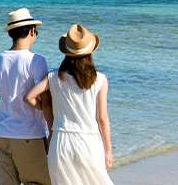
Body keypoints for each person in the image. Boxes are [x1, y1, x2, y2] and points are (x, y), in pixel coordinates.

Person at [25, 24, 114, 185]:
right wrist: (108, 151)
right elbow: (102, 118)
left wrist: (50, 110)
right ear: (90, 52)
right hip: (89, 143)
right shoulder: (100, 80)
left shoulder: (53, 77)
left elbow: (29, 97)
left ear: (66, 53)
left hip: (61, 142)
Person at [0, 8, 52, 185]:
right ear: (32, 31)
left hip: (3, 136)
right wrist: (52, 133)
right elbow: (46, 102)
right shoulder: (36, 61)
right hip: (29, 136)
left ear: (10, 34)